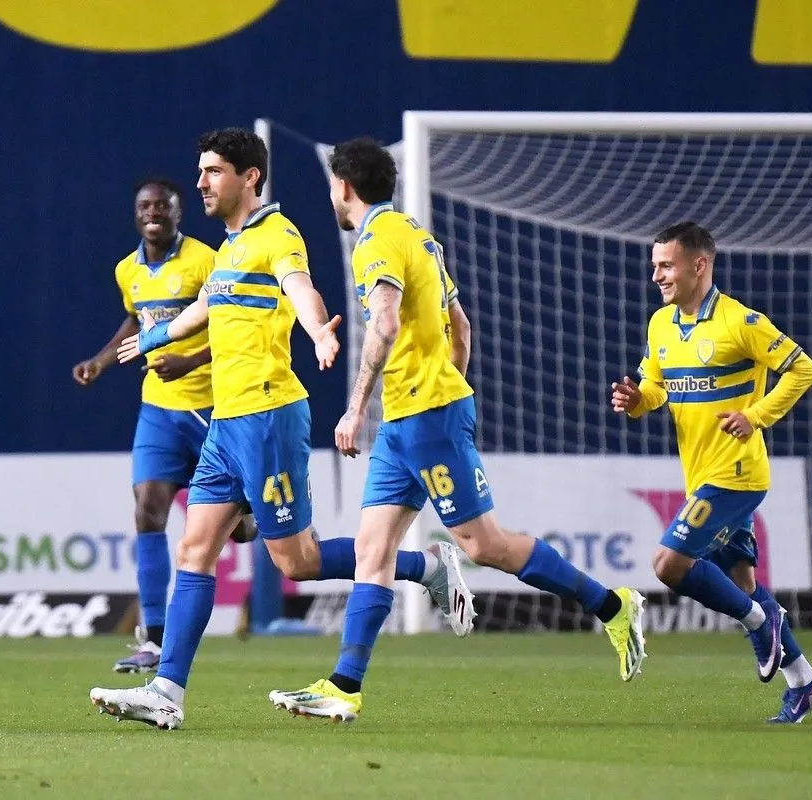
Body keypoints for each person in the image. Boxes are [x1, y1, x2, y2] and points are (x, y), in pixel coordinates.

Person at [88, 129, 471, 730]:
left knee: (297, 561)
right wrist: (152, 336)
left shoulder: (277, 233)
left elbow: (302, 289)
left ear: (250, 178)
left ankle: (425, 567)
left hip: (269, 417)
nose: (201, 182)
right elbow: (204, 308)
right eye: (201, 170)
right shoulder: (230, 247)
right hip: (226, 422)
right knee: (194, 548)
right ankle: (166, 691)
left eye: (214, 171)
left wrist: (318, 332)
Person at [267, 137, 647, 724]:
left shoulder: (376, 241)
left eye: (334, 189)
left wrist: (357, 407)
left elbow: (385, 323)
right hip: (409, 419)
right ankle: (344, 686)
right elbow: (460, 328)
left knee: (484, 545)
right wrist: (443, 388)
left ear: (343, 186)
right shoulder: (418, 235)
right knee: (372, 549)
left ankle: (612, 605)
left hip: (424, 417)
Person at [610, 221, 812, 724]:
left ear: (699, 264)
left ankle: (760, 622)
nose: (656, 276)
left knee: (668, 564)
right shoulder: (660, 324)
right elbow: (656, 386)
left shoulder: (741, 322)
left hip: (736, 474)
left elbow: (804, 369)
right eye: (654, 266)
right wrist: (637, 399)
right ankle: (805, 682)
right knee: (742, 581)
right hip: (701, 474)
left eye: (666, 266)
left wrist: (755, 416)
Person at [72, 178, 255, 674]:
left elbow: (233, 324)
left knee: (240, 532)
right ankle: (153, 638)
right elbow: (136, 321)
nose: (153, 212)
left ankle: (258, 515)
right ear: (136, 215)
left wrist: (190, 361)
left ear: (178, 213)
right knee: (147, 510)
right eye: (145, 206)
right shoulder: (127, 270)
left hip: (212, 408)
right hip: (158, 409)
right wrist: (100, 362)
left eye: (162, 206)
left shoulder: (206, 260)